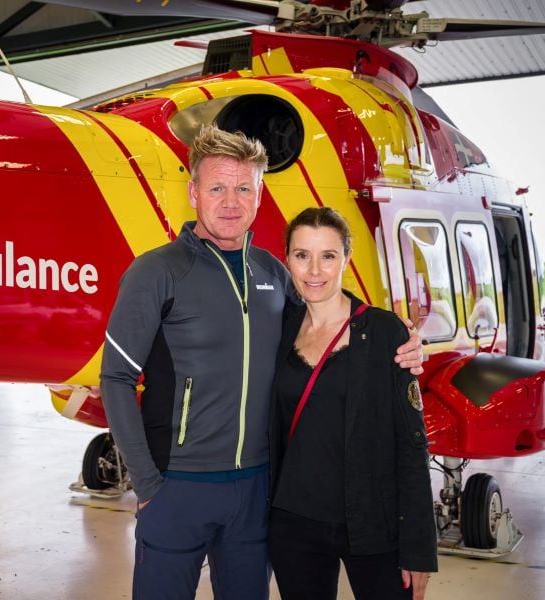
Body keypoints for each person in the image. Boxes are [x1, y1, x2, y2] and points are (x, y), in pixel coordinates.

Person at [99, 125, 424, 600]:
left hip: (256, 491)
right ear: (193, 193)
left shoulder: (274, 272)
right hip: (177, 485)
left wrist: (394, 338)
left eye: (243, 188)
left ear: (259, 195)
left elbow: (326, 311)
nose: (230, 201)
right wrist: (148, 483)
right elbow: (116, 377)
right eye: (217, 188)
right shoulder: (157, 272)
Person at [268, 207, 438, 600]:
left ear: (346, 259)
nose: (314, 270)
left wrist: (418, 549)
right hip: (294, 523)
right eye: (301, 255)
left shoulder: (383, 332)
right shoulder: (280, 328)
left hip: (372, 522)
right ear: (287, 259)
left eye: (327, 256)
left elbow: (412, 446)